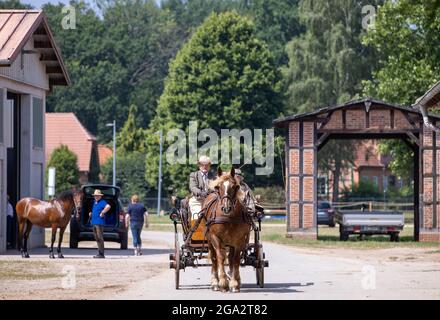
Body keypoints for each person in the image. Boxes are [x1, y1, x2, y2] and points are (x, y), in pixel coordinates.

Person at [89, 189, 111, 258]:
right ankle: (99, 253)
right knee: (97, 238)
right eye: (95, 196)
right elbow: (96, 211)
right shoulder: (94, 202)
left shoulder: (102, 202)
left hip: (99, 222)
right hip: (94, 222)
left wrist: (103, 212)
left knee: (100, 237)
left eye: (97, 196)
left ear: (100, 196)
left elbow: (108, 206)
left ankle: (101, 254)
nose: (96, 197)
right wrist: (91, 214)